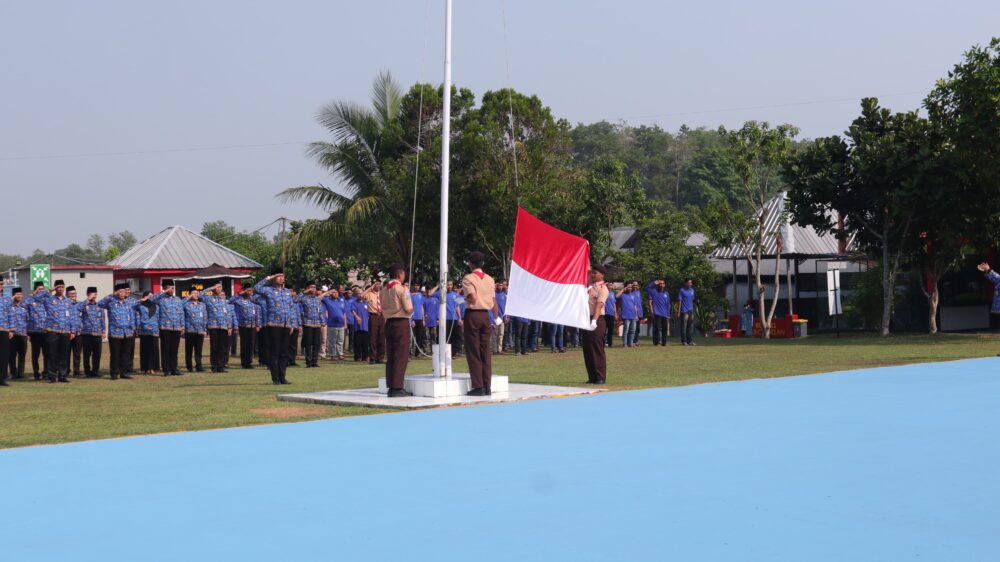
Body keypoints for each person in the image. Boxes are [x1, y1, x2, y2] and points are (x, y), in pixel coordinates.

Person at [462, 251, 499, 396]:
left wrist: (465, 300)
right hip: (486, 315)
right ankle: (487, 385)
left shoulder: (468, 278)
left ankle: (478, 386)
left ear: (471, 264)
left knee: (473, 351)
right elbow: (494, 302)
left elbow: (471, 297)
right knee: (486, 351)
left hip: (473, 314)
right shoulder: (490, 279)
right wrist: (495, 318)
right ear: (482, 263)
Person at [255, 270, 297, 385]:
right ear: (274, 278)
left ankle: (283, 377)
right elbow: (257, 287)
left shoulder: (287, 292)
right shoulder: (268, 291)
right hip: (273, 325)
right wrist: (269, 277)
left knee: (284, 352)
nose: (281, 278)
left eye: (282, 276)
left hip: (286, 325)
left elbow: (291, 308)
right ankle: (275, 378)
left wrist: (292, 323)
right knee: (275, 352)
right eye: (278, 276)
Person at [380, 263, 414, 397]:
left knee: (392, 355)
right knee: (401, 356)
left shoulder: (383, 289)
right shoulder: (401, 289)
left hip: (389, 322)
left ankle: (391, 385)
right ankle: (397, 386)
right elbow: (408, 308)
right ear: (400, 274)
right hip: (400, 322)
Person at [35, 279, 76, 383]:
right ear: (55, 288)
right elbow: (37, 298)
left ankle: (62, 375)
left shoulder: (68, 301)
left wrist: (73, 330)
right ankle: (52, 376)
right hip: (52, 331)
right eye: (58, 287)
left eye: (62, 287)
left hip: (65, 331)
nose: (60, 289)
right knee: (51, 354)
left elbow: (72, 316)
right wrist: (50, 290)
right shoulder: (49, 299)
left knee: (64, 354)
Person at [99, 283, 137, 380]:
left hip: (127, 332)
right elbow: (100, 304)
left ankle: (123, 372)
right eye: (120, 291)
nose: (122, 293)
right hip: (115, 333)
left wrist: (132, 328)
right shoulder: (111, 302)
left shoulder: (128, 303)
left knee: (125, 354)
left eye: (123, 291)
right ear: (116, 292)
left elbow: (131, 316)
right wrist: (111, 295)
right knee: (115, 354)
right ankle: (114, 373)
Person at [583, 265, 610, 384]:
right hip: (585, 319)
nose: (592, 274)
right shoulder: (589, 286)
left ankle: (600, 377)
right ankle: (592, 376)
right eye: (592, 273)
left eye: (595, 273)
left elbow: (599, 305)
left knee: (597, 348)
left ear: (602, 275)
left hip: (597, 319)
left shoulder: (603, 288)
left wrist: (594, 320)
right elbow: (586, 269)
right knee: (587, 348)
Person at [150, 280, 184, 376]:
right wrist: (162, 292)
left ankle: (174, 368)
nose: (172, 290)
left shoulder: (177, 299)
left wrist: (182, 326)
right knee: (165, 349)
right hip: (165, 327)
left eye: (173, 288)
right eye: (169, 288)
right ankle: (166, 369)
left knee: (174, 349)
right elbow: (151, 299)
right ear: (164, 288)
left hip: (176, 327)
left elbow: (181, 313)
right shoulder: (161, 299)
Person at [200, 283, 232, 373]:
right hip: (213, 325)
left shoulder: (224, 300)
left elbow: (228, 314)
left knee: (222, 347)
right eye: (217, 287)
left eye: (220, 287)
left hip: (223, 326)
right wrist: (210, 288)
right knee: (214, 347)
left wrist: (229, 326)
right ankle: (214, 366)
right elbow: (200, 295)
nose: (219, 289)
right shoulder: (208, 299)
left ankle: (220, 366)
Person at [230, 286, 261, 369]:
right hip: (243, 325)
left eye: (251, 291)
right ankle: (244, 362)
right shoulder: (239, 300)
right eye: (248, 291)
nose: (249, 292)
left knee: (251, 344)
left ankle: (249, 362)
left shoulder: (253, 300)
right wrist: (241, 293)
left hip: (253, 325)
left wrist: (258, 324)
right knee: (244, 344)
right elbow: (231, 301)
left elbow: (258, 313)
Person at [296, 283, 326, 368]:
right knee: (308, 344)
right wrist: (305, 291)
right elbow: (295, 300)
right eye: (311, 287)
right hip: (307, 324)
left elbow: (320, 312)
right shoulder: (304, 298)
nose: (313, 289)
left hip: (317, 324)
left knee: (316, 344)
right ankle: (308, 362)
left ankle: (315, 362)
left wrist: (322, 323)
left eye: (314, 288)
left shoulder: (317, 299)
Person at [25, 282, 49, 380]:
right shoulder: (31, 300)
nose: (41, 291)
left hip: (45, 331)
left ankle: (46, 373)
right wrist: (33, 294)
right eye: (39, 289)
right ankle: (36, 373)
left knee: (47, 354)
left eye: (43, 289)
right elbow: (24, 304)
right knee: (35, 355)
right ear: (35, 290)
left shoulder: (46, 300)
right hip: (35, 332)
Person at [79, 287, 105, 378]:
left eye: (95, 294)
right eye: (92, 294)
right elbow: (77, 309)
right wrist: (87, 300)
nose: (94, 296)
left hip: (97, 333)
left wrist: (103, 330)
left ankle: (95, 371)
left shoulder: (99, 306)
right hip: (86, 333)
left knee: (97, 354)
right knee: (87, 354)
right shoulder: (84, 305)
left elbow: (102, 319)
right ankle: (87, 371)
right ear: (88, 294)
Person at [182, 289, 208, 373]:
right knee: (189, 350)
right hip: (189, 330)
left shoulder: (202, 305)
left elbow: (205, 317)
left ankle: (199, 365)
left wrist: (204, 329)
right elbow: (180, 304)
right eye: (194, 293)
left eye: (197, 293)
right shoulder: (186, 304)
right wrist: (189, 297)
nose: (196, 295)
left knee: (198, 350)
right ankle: (189, 366)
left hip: (200, 331)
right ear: (190, 294)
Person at [135, 291, 160, 374]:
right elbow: (133, 309)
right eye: (149, 296)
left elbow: (158, 317)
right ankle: (145, 368)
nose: (150, 298)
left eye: (152, 296)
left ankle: (153, 368)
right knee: (145, 349)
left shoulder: (156, 306)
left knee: (154, 350)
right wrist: (142, 300)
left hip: (154, 330)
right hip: (144, 330)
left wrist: (159, 328)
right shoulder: (140, 305)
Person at [322, 288, 348, 360]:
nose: (335, 294)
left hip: (341, 324)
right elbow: (319, 297)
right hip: (332, 324)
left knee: (340, 340)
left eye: (336, 292)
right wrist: (328, 292)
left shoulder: (341, 301)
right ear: (331, 294)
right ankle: (332, 355)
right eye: (333, 292)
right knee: (332, 341)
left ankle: (340, 354)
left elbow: (344, 313)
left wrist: (345, 323)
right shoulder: (328, 300)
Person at [9, 288, 28, 380]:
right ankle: (13, 373)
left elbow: (29, 320)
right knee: (12, 355)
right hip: (12, 335)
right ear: (13, 295)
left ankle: (21, 373)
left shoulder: (25, 306)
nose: (19, 296)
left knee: (22, 355)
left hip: (23, 335)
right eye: (17, 294)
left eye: (20, 294)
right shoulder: (9, 306)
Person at [646, 278, 671, 347]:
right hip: (657, 313)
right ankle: (657, 342)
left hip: (665, 314)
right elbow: (647, 287)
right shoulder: (654, 291)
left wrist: (668, 314)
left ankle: (664, 342)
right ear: (658, 284)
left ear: (664, 285)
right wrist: (654, 282)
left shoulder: (666, 293)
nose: (661, 285)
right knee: (657, 328)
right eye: (660, 283)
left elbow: (668, 304)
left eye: (662, 283)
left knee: (665, 328)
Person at [365, 281, 385, 364]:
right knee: (373, 337)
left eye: (379, 284)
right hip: (373, 315)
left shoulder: (383, 293)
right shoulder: (369, 294)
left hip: (382, 316)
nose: (378, 286)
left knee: (382, 337)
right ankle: (372, 357)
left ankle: (380, 358)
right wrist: (371, 287)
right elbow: (361, 295)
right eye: (376, 284)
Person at [352, 287, 370, 362]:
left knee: (365, 342)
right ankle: (357, 357)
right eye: (359, 293)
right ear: (356, 294)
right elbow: (353, 310)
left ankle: (365, 356)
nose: (360, 295)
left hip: (365, 325)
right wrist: (356, 317)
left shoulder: (366, 302)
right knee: (357, 342)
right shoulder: (354, 302)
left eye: (361, 293)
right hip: (357, 325)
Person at [619, 283, 638, 348]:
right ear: (626, 287)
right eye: (628, 287)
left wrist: (636, 315)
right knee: (626, 330)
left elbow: (635, 306)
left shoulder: (633, 295)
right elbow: (616, 296)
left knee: (633, 330)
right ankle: (625, 344)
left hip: (633, 315)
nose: (630, 288)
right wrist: (623, 289)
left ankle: (631, 343)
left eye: (630, 287)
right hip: (626, 315)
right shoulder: (623, 294)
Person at [0, 280, 12, 386]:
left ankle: (2, 378)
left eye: (1, 284)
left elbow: (10, 315)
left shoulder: (7, 299)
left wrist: (11, 329)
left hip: (4, 330)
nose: (0, 286)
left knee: (4, 355)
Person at [677, 277, 696, 346]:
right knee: (684, 327)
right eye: (689, 282)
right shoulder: (682, 290)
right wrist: (679, 311)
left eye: (691, 282)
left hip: (690, 310)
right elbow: (680, 301)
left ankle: (690, 341)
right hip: (684, 311)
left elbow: (692, 300)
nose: (690, 284)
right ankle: (684, 341)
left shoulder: (692, 290)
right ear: (685, 283)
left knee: (690, 326)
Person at [422, 285, 440, 352]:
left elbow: (438, 310)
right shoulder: (423, 299)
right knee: (426, 337)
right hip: (426, 322)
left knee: (434, 337)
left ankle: (434, 350)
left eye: (429, 290)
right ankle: (426, 350)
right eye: (427, 289)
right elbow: (422, 309)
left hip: (434, 322)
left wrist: (438, 319)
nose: (428, 291)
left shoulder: (435, 299)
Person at [410, 283, 425, 357]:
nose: (417, 286)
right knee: (412, 337)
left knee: (420, 335)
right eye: (415, 285)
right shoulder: (410, 295)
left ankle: (418, 352)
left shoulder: (420, 295)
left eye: (418, 285)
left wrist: (423, 319)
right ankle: (410, 352)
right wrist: (411, 319)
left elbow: (422, 306)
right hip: (413, 318)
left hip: (419, 318)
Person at [287, 289, 301, 367]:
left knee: (293, 344)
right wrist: (290, 325)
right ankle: (286, 361)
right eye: (290, 291)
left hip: (295, 325)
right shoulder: (285, 302)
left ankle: (292, 361)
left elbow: (298, 314)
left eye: (293, 291)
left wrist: (300, 325)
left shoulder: (296, 303)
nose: (292, 293)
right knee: (286, 344)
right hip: (288, 326)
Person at [494, 281, 508, 354]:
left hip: (502, 317)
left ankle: (499, 349)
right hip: (495, 317)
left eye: (501, 285)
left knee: (501, 334)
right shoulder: (494, 295)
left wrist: (506, 316)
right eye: (498, 285)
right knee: (495, 334)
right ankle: (494, 349)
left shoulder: (504, 295)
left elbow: (506, 307)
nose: (500, 287)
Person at [603, 283, 618, 348]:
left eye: (611, 285)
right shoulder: (604, 293)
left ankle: (610, 343)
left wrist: (615, 313)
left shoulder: (612, 294)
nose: (610, 286)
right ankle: (602, 343)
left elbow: (614, 304)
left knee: (610, 330)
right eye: (609, 285)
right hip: (605, 314)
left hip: (611, 314)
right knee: (604, 330)